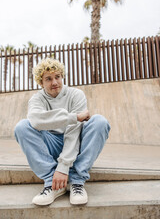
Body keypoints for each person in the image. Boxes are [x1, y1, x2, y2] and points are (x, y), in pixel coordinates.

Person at [14, 57, 111, 206]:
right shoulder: (37, 99)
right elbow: (35, 120)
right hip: (50, 144)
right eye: (48, 79)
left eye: (57, 77)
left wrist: (63, 167)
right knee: (22, 127)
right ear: (41, 82)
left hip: (75, 143)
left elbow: (73, 132)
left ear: (62, 77)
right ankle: (51, 182)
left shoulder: (75, 95)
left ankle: (76, 181)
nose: (54, 82)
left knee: (100, 121)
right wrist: (74, 117)